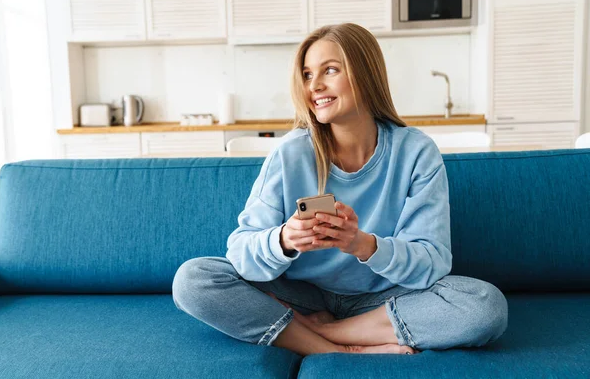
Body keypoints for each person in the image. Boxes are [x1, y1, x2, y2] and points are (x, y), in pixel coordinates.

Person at [172, 23, 508, 356]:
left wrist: (362, 244)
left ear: (365, 73)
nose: (314, 85)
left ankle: (322, 331)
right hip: (304, 293)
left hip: (385, 299)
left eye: (329, 70)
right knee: (193, 280)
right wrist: (285, 240)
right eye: (306, 75)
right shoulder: (290, 153)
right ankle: (338, 350)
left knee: (484, 306)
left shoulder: (416, 152)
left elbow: (432, 262)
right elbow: (241, 253)